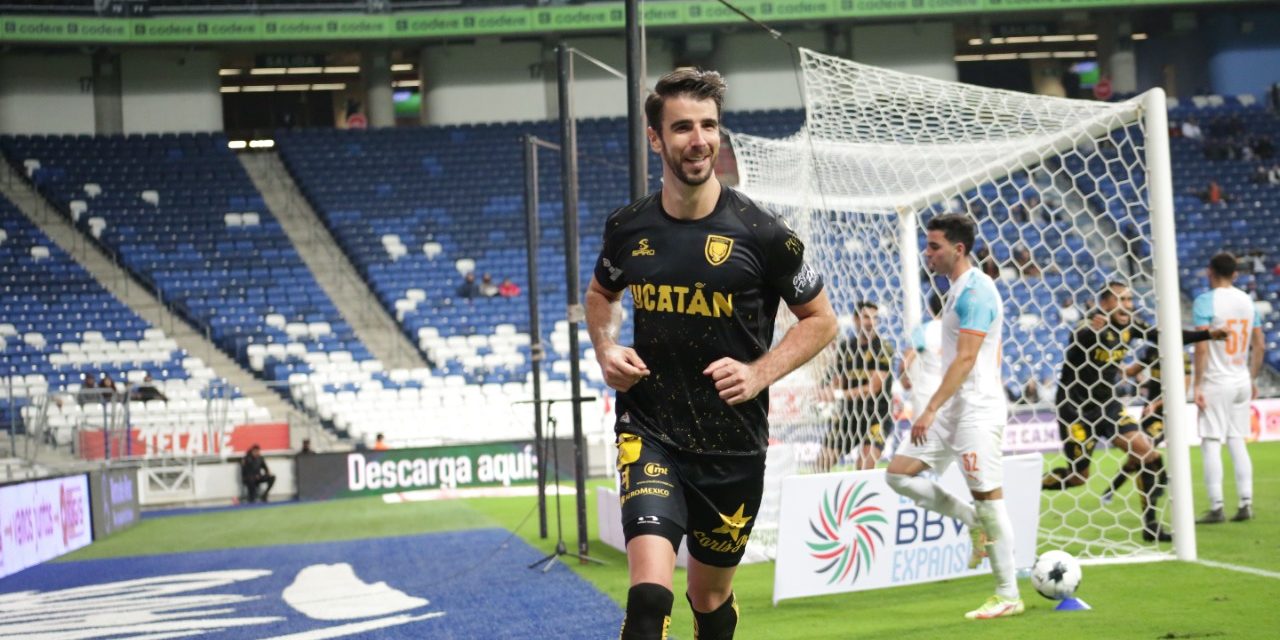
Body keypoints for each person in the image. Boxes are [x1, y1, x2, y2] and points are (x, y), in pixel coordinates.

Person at [586, 68, 836, 640]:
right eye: (681, 128)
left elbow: (822, 320)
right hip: (650, 427)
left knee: (709, 597)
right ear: (656, 139)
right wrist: (605, 347)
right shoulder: (628, 227)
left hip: (732, 445)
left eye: (708, 126)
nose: (698, 140)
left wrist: (759, 372)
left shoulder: (765, 234)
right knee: (649, 598)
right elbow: (601, 294)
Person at [884, 214, 1021, 620]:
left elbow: (966, 359)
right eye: (927, 246)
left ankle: (1008, 593)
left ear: (958, 249)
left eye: (934, 247)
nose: (927, 254)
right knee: (897, 473)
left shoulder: (977, 291)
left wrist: (928, 408)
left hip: (975, 411)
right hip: (953, 410)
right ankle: (969, 521)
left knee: (989, 500)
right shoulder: (957, 289)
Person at [1042, 282, 1222, 542]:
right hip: (1076, 408)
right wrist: (1091, 327)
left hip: (1108, 406)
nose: (1128, 304)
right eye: (1122, 299)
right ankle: (1029, 486)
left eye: (1129, 299)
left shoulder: (1130, 327)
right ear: (1106, 303)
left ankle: (1150, 526)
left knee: (1149, 456)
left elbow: (1166, 336)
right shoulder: (1090, 326)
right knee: (1077, 477)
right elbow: (1078, 335)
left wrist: (1208, 335)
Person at [1193, 253, 1266, 523]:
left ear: (1210, 271)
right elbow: (1260, 345)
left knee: (1211, 442)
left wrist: (1196, 384)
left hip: (1215, 381)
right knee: (1237, 440)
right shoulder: (1247, 301)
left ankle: (1217, 506)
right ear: (1235, 274)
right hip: (1241, 380)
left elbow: (1201, 346)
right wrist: (1253, 378)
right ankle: (1246, 502)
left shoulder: (1205, 301)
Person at [818, 301, 894, 471]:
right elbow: (838, 379)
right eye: (866, 317)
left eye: (875, 318)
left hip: (877, 416)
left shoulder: (883, 348)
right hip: (849, 416)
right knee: (821, 464)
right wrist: (827, 391)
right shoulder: (847, 348)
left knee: (864, 468)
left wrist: (837, 394)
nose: (871, 322)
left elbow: (873, 388)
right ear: (856, 319)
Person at [901, 294, 945, 422]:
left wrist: (904, 377)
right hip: (956, 385)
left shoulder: (924, 330)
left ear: (930, 309)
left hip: (929, 388)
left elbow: (907, 359)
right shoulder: (960, 330)